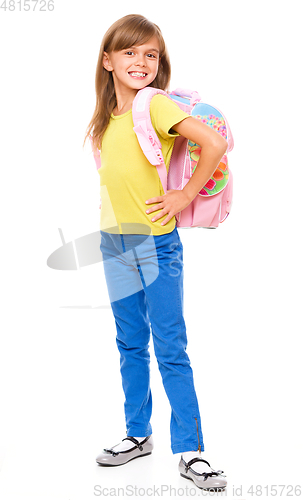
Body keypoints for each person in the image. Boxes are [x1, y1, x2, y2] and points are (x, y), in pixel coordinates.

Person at [84, 14, 227, 490]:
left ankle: (191, 450)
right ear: (108, 61)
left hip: (155, 243)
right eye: (129, 52)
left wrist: (184, 196)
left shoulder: (155, 105)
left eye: (150, 54)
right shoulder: (105, 120)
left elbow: (214, 142)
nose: (141, 62)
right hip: (114, 242)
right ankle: (136, 434)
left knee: (169, 345)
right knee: (129, 342)